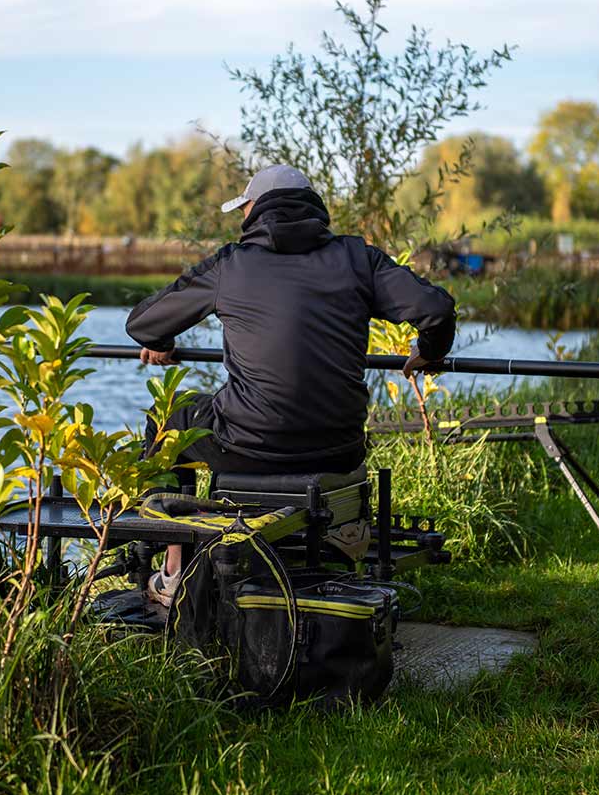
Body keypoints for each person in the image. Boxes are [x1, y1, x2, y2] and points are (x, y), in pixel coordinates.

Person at [126, 164, 456, 606]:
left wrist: (160, 342)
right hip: (338, 447)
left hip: (245, 445)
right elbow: (436, 309)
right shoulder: (359, 259)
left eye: (243, 207)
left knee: (170, 414)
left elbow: (143, 322)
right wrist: (431, 352)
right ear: (312, 209)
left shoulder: (230, 264)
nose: (241, 217)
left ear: (255, 210)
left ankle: (172, 570)